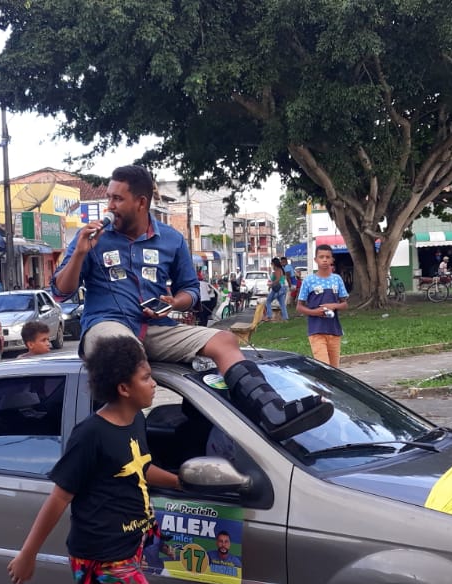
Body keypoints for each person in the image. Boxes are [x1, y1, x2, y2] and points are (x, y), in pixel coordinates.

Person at [50, 164, 329, 441]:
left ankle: (271, 411)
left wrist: (175, 302)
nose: (109, 206)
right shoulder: (91, 237)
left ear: (141, 202)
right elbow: (61, 292)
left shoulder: (170, 239)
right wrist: (80, 254)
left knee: (225, 341)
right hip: (106, 324)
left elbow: (191, 291)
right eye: (109, 197)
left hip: (155, 325)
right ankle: (127, 444)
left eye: (117, 198)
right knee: (126, 353)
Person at [7, 335, 187, 584]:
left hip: (123, 550)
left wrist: (182, 480)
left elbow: (140, 468)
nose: (154, 384)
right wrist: (28, 555)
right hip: (107, 560)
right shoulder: (91, 434)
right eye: (146, 378)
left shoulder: (135, 421)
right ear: (123, 388)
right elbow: (59, 497)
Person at [297, 244, 349, 368]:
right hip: (316, 330)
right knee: (324, 367)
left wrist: (334, 306)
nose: (324, 260)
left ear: (332, 260)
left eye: (327, 257)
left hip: (334, 330)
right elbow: (299, 306)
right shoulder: (309, 281)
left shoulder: (337, 279)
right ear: (316, 260)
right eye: (321, 257)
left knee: (334, 369)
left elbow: (345, 304)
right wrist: (316, 312)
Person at [264, 257, 289, 322]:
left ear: (274, 264)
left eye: (272, 263)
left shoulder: (277, 270)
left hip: (278, 288)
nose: (271, 265)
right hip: (282, 288)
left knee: (268, 301)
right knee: (282, 304)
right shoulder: (281, 269)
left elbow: (277, 280)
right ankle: (285, 318)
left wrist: (271, 284)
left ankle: (269, 316)